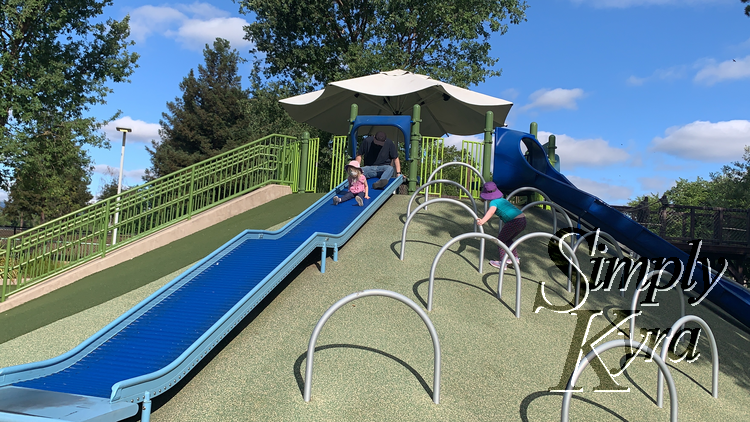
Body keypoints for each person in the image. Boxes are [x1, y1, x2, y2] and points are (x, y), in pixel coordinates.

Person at [476, 182, 527, 269]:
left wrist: (482, 221)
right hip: (523, 220)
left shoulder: (493, 202)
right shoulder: (503, 200)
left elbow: (491, 211)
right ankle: (514, 259)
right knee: (508, 239)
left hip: (514, 221)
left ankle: (503, 263)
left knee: (500, 241)